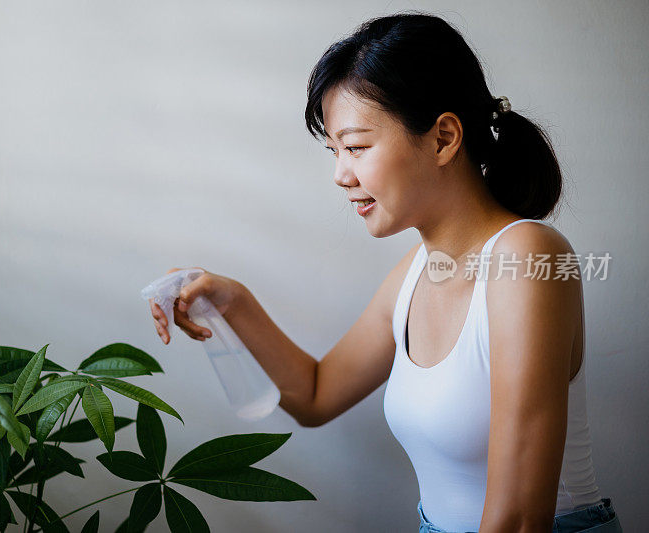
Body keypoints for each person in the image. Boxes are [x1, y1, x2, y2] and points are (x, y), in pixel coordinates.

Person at [148, 11, 623, 533]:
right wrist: (231, 300)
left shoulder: (529, 259)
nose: (339, 175)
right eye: (334, 151)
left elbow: (517, 519)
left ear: (443, 137)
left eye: (355, 147)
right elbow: (315, 395)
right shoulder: (413, 275)